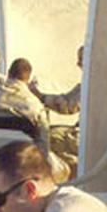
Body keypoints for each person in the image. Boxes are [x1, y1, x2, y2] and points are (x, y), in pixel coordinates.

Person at [29, 45, 84, 177]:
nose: (78, 64)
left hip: (85, 135)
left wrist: (41, 97)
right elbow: (66, 99)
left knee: (49, 141)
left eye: (81, 60)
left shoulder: (93, 83)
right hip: (81, 132)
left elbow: (68, 106)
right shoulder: (87, 83)